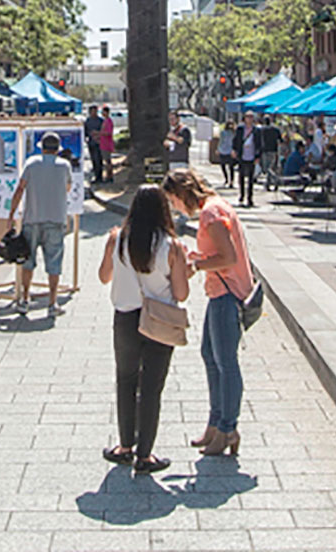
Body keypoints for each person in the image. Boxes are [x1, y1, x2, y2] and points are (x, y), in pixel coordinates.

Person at [99, 185, 193, 475]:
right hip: (159, 321)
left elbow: (104, 277)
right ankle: (145, 454)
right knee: (152, 387)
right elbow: (182, 292)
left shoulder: (117, 238)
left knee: (125, 380)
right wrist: (185, 270)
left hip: (125, 317)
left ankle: (125, 446)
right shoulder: (172, 246)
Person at [161, 167, 252, 458]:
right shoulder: (216, 208)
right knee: (211, 357)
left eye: (173, 201)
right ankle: (217, 424)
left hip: (227, 292)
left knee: (225, 362)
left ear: (181, 194)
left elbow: (228, 257)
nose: (175, 207)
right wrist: (200, 259)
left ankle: (227, 427)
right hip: (221, 290)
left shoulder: (210, 214)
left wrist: (197, 266)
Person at [8, 132, 74, 315]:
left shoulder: (31, 164)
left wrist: (11, 214)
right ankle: (52, 303)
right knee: (54, 263)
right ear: (57, 149)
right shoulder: (64, 166)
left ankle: (25, 299)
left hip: (32, 219)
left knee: (27, 261)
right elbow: (68, 188)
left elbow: (20, 188)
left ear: (42, 147)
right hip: (56, 219)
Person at [237, 118, 259, 206]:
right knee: (241, 176)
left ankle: (250, 198)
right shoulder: (240, 129)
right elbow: (236, 140)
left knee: (251, 178)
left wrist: (258, 156)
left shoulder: (256, 130)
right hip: (242, 156)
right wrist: (235, 150)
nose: (249, 119)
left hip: (252, 156)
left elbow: (259, 143)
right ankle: (242, 195)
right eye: (247, 117)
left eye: (251, 117)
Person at [85, 105, 106, 180]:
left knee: (98, 159)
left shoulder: (101, 121)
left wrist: (98, 134)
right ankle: (96, 175)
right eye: (93, 111)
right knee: (93, 159)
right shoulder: (87, 121)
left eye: (95, 111)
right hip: (91, 143)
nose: (94, 113)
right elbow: (85, 132)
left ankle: (100, 176)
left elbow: (105, 131)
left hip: (99, 143)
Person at [96, 106, 116, 183]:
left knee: (108, 161)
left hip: (106, 144)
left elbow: (108, 133)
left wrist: (99, 133)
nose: (102, 113)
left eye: (103, 112)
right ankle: (108, 176)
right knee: (106, 161)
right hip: (103, 143)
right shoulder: (105, 121)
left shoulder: (109, 121)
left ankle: (110, 177)